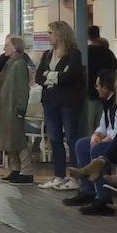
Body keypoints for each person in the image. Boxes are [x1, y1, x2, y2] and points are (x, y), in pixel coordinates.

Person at [35, 21, 85, 190]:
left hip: (68, 102)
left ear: (60, 34)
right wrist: (55, 76)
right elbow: (38, 78)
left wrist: (50, 76)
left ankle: (75, 177)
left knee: (72, 138)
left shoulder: (73, 54)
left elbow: (71, 76)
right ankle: (59, 175)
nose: (47, 36)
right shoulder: (47, 55)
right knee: (55, 138)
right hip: (49, 101)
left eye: (50, 32)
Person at [64, 69, 117, 214]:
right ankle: (87, 191)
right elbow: (104, 125)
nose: (96, 88)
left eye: (98, 85)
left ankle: (103, 198)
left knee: (97, 149)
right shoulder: (106, 102)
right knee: (81, 144)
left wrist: (104, 140)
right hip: (109, 137)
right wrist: (96, 134)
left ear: (106, 87)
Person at [0, 35, 34, 184]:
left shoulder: (19, 64)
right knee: (9, 139)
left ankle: (26, 170)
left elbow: (22, 89)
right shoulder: (11, 62)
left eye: (7, 45)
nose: (4, 48)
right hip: (7, 107)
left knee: (17, 139)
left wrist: (20, 108)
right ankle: (15, 168)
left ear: (15, 47)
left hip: (14, 107)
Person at [86, 25, 117, 132]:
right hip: (107, 92)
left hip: (89, 93)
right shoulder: (108, 53)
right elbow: (116, 71)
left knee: (89, 125)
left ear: (88, 36)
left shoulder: (85, 52)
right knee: (105, 123)